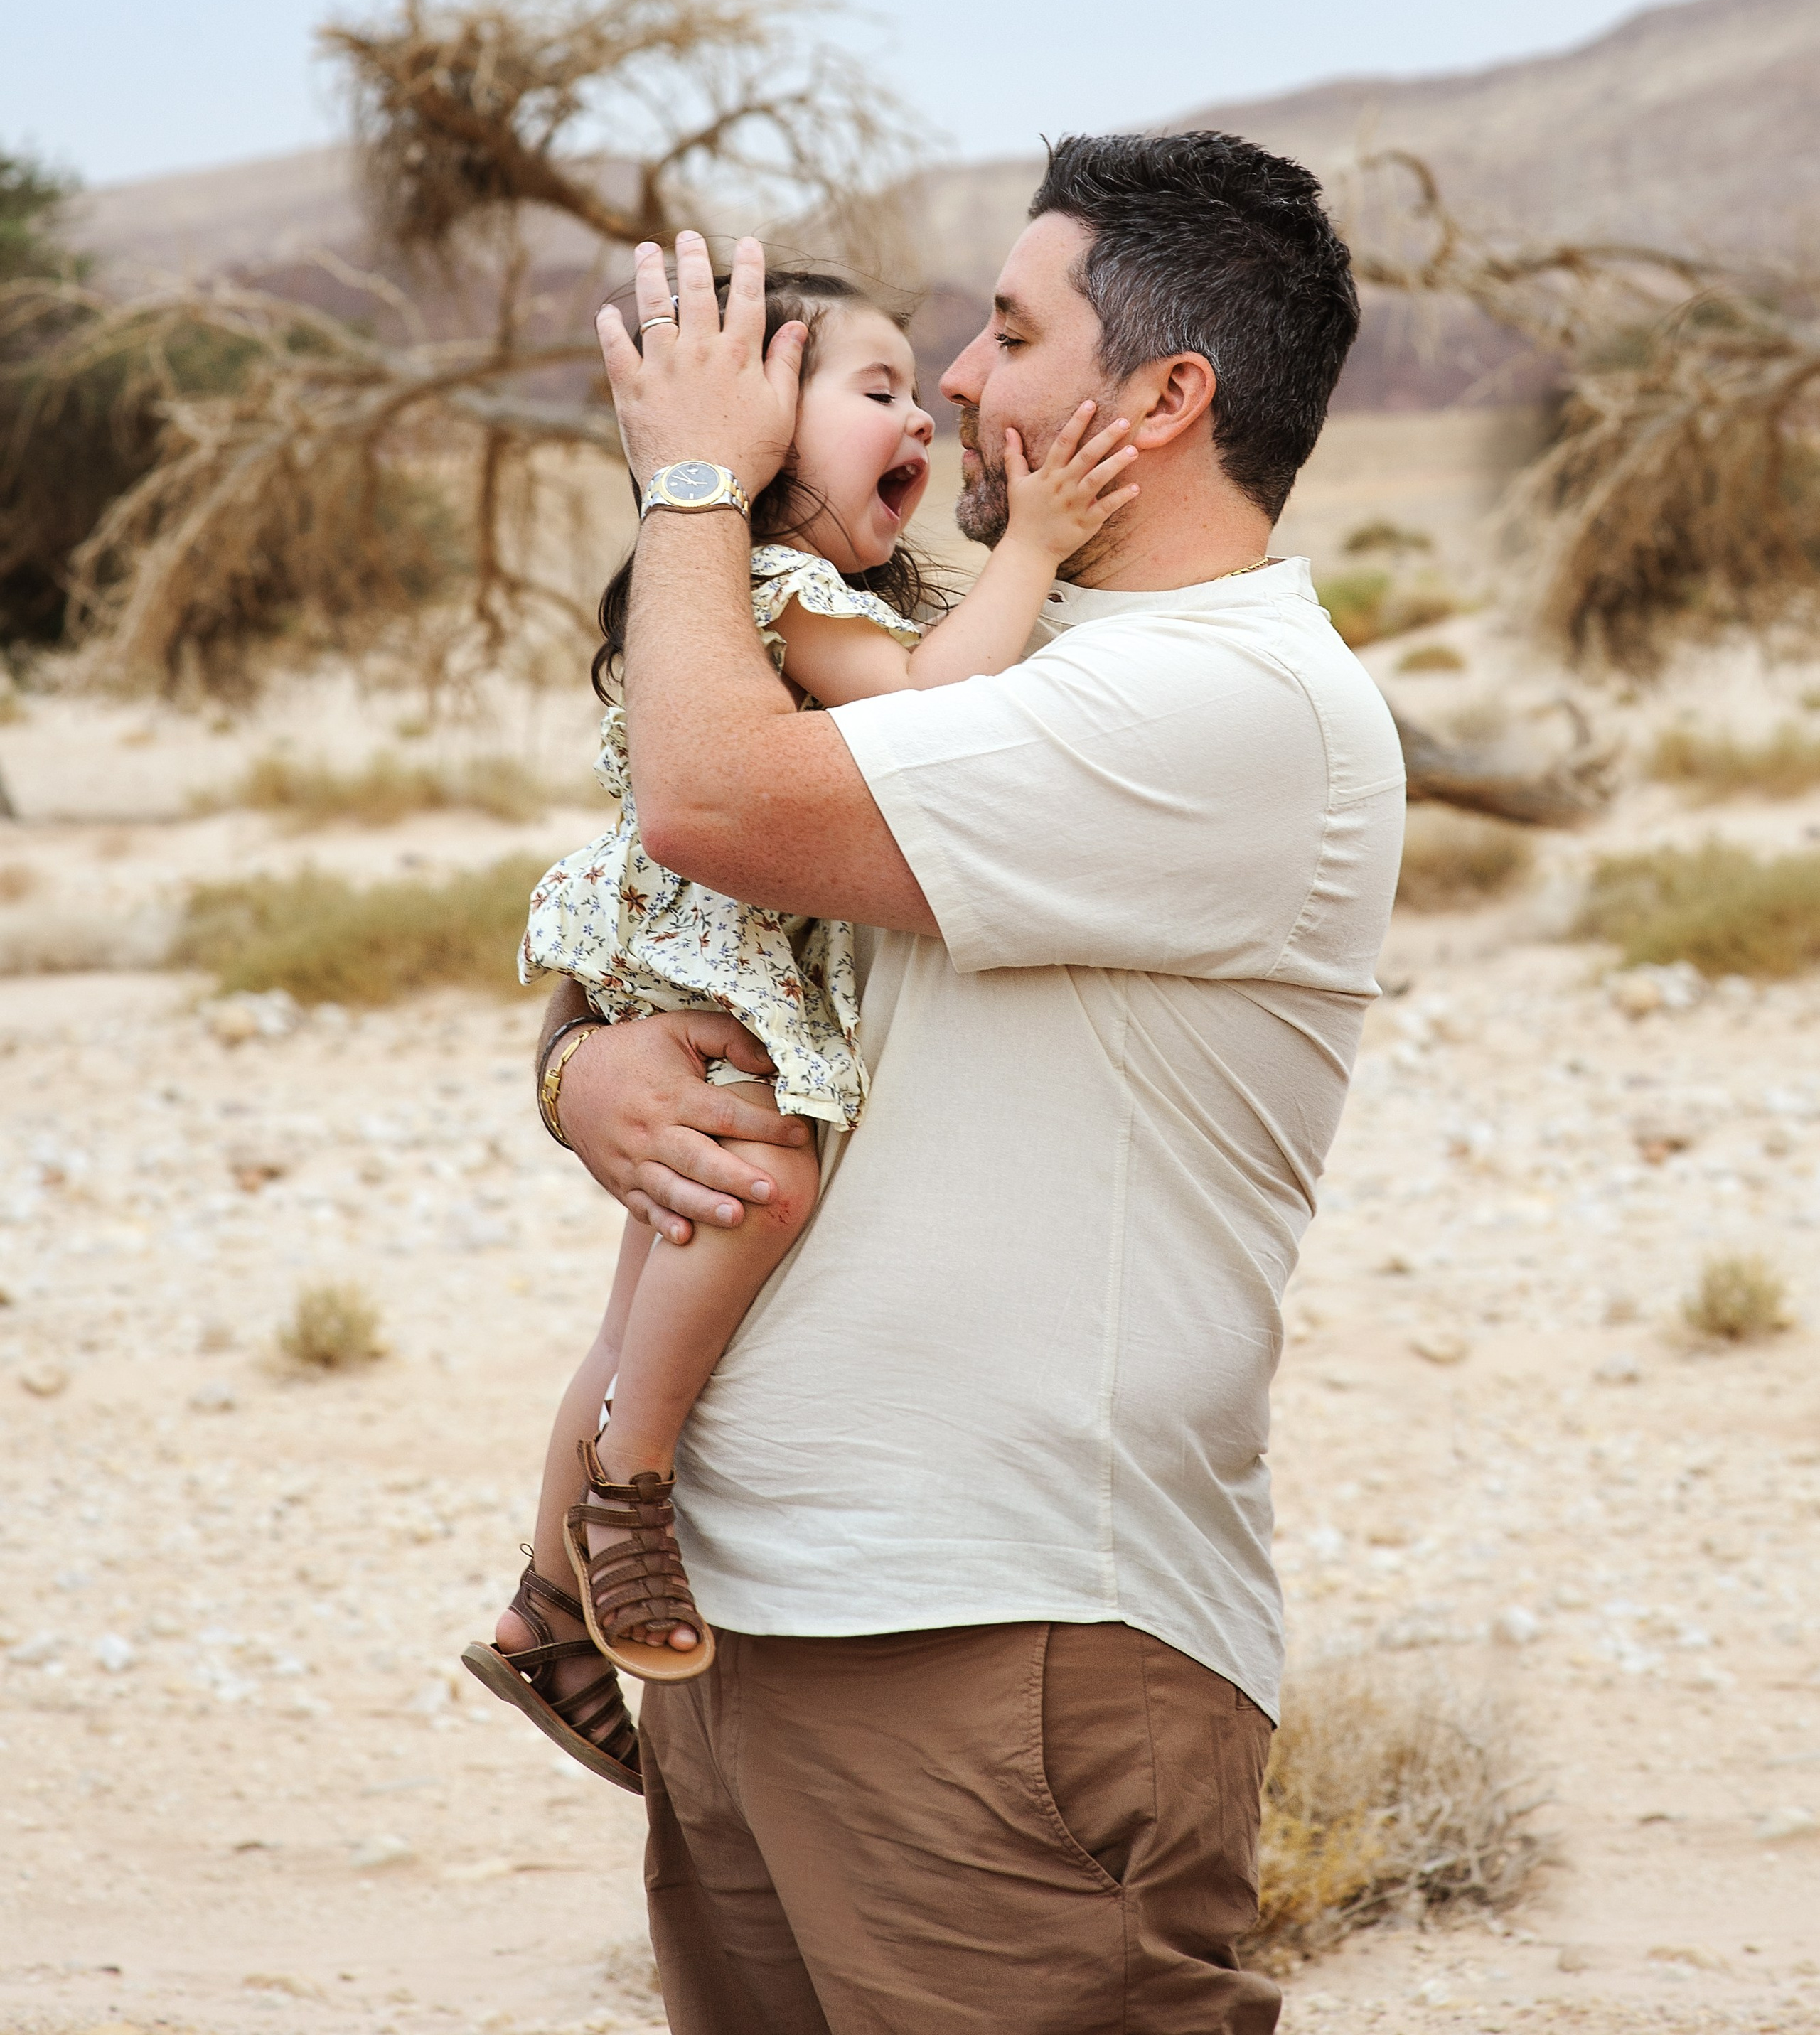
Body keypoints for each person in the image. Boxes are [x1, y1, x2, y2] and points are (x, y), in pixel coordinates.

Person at [542, 133, 1404, 2034]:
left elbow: (712, 795)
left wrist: (695, 480)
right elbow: (707, 913)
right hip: (759, 1608)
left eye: (1011, 333)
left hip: (998, 1640)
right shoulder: (1012, 661)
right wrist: (581, 1069)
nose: (951, 376)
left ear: (1167, 397)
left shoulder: (1224, 707)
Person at [464, 267, 1138, 1780]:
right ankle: (628, 1501)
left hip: (686, 950)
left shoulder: (769, 587)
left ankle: (540, 1611)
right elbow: (917, 708)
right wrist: (1033, 550)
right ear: (764, 440)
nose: (921, 413)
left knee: (642, 1295)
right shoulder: (774, 586)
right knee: (756, 1180)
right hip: (718, 958)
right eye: (876, 389)